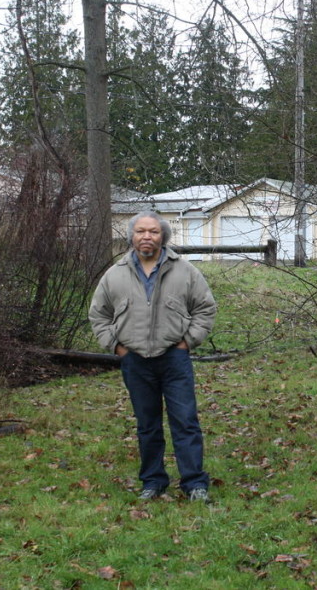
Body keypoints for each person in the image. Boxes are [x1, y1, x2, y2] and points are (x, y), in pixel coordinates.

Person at [88, 211, 217, 502]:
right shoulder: (115, 274)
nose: (147, 237)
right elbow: (98, 315)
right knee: (147, 425)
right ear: (132, 236)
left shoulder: (184, 271)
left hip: (174, 359)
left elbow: (206, 309)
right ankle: (153, 482)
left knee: (185, 421)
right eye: (141, 231)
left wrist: (188, 341)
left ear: (163, 237)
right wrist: (116, 346)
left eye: (154, 232)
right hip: (135, 361)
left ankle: (194, 483)